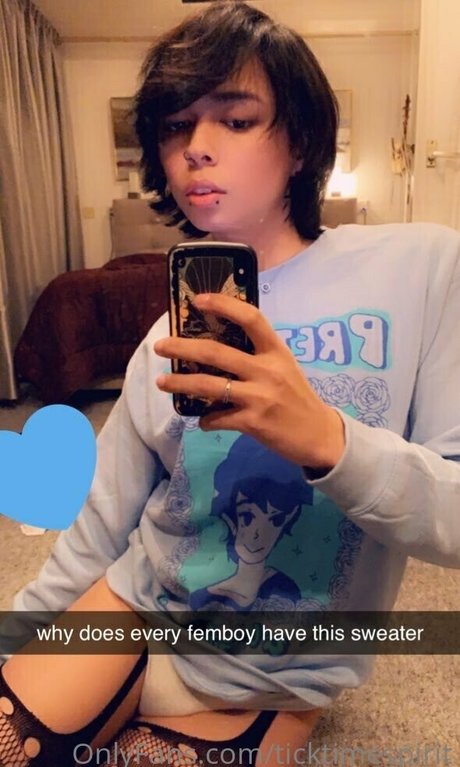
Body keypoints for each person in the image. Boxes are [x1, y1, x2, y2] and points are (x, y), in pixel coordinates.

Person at [1, 1, 460, 765]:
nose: (195, 149)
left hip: (270, 677)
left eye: (236, 120)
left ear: (300, 140)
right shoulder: (166, 336)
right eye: (176, 127)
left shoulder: (422, 268)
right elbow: (102, 522)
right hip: (132, 605)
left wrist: (330, 442)